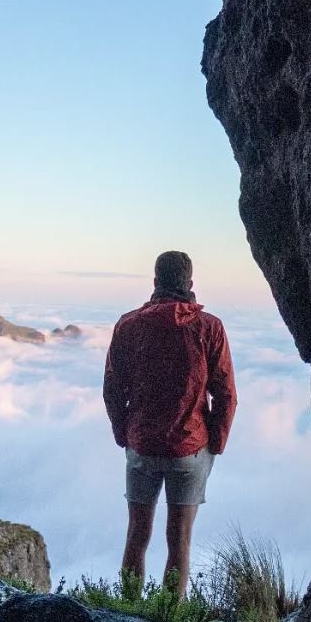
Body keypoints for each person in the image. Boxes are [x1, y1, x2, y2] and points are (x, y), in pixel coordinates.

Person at [102, 251, 237, 596]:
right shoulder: (210, 328)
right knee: (180, 541)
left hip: (142, 445)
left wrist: (124, 436)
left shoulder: (128, 325)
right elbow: (226, 394)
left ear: (154, 283)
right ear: (190, 285)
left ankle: (129, 614)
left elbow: (113, 388)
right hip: (190, 449)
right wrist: (215, 445)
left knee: (137, 534)